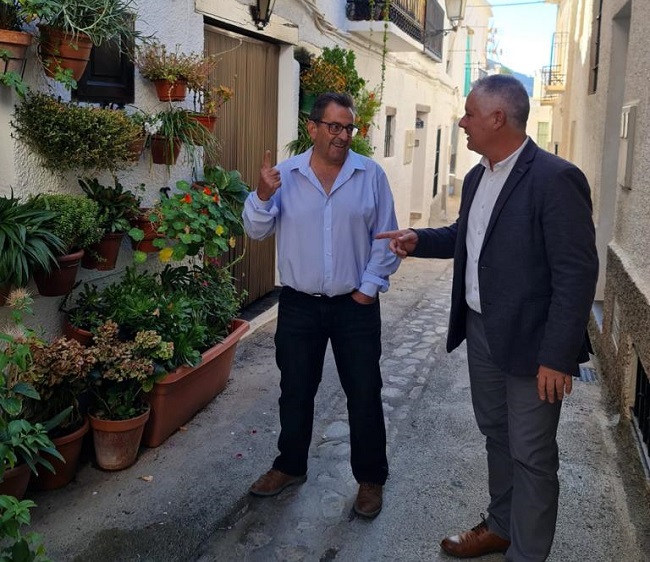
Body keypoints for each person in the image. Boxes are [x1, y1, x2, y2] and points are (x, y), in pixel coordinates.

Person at [377, 75, 598, 560]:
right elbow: (467, 236)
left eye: (470, 114)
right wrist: (419, 239)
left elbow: (577, 275)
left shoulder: (555, 179)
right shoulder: (479, 176)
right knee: (496, 435)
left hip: (533, 344)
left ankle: (527, 553)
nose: (462, 122)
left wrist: (557, 356)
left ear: (498, 119)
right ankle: (501, 526)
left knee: (532, 454)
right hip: (482, 331)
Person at [242, 92, 400, 518]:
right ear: (312, 128)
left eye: (349, 128)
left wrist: (368, 288)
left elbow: (386, 237)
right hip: (300, 305)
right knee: (295, 389)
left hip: (355, 306)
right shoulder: (285, 176)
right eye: (334, 127)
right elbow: (256, 230)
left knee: (364, 392)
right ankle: (289, 466)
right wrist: (261, 195)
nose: (343, 136)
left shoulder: (370, 175)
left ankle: (370, 479)